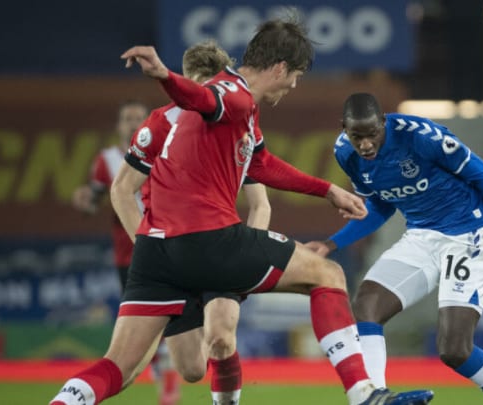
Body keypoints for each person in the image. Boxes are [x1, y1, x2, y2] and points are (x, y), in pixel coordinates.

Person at [49, 16, 434, 405]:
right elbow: (204, 101)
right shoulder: (234, 94)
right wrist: (164, 75)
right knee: (327, 274)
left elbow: (263, 164)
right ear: (280, 67)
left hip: (154, 251)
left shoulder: (239, 111)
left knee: (121, 367)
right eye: (295, 76)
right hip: (209, 240)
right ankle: (363, 393)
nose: (293, 86)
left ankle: (64, 401)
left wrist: (327, 190)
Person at [305, 93, 483, 405]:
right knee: (367, 303)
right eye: (358, 136)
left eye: (372, 135)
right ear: (344, 129)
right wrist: (331, 243)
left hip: (468, 233)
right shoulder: (346, 154)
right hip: (422, 234)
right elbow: (381, 206)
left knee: (454, 350)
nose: (366, 144)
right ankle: (375, 398)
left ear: (384, 123)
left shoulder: (420, 137)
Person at [111, 40, 271, 405]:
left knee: (220, 337)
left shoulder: (236, 123)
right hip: (171, 253)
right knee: (193, 369)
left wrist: (248, 255)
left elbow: (260, 204)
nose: (202, 96)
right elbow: (121, 191)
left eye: (209, 86)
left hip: (219, 246)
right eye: (196, 85)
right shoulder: (161, 122)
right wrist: (153, 252)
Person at [70, 101, 184, 405]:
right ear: (118, 126)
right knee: (147, 324)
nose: (133, 124)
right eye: (127, 119)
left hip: (168, 245)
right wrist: (85, 203)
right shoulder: (106, 161)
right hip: (128, 253)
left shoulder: (166, 150)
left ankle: (169, 380)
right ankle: (164, 378)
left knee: (172, 318)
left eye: (138, 118)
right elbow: (94, 200)